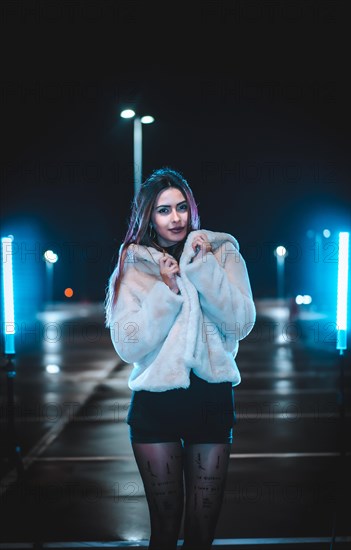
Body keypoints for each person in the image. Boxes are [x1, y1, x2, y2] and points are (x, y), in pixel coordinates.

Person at [105, 167, 256, 550]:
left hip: (211, 401)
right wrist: (167, 290)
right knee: (165, 527)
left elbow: (240, 323)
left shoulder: (221, 252)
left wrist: (201, 270)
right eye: (163, 210)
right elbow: (128, 345)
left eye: (181, 207)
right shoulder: (135, 264)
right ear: (149, 218)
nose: (176, 218)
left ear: (192, 209)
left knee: (203, 533)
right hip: (156, 408)